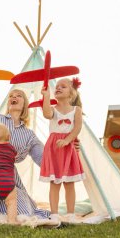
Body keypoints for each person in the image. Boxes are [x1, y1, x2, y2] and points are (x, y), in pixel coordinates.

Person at [0, 77, 50, 219]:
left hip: (8, 180)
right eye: (11, 95)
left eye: (19, 96)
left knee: (24, 212)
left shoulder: (28, 135)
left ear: (25, 104)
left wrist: (66, 148)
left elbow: (44, 160)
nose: (14, 97)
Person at [39, 77, 85, 223]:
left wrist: (67, 140)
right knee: (55, 182)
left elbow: (77, 128)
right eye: (57, 86)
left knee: (69, 183)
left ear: (71, 93)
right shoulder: (53, 110)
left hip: (68, 148)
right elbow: (46, 114)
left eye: (63, 86)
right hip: (54, 148)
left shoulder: (76, 110)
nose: (58, 88)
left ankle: (71, 213)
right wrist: (46, 96)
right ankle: (54, 213)